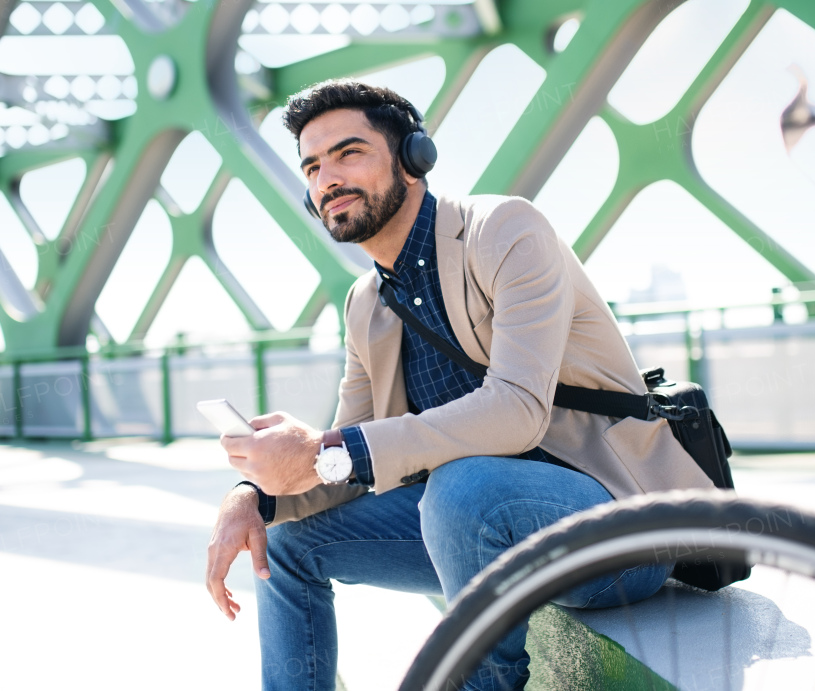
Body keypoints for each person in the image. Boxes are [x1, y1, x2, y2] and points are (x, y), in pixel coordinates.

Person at [206, 80, 713, 691]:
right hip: (474, 528)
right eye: (313, 167)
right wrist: (254, 497)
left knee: (460, 483)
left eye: (349, 153)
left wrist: (329, 450)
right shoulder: (366, 303)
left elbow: (518, 410)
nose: (327, 179)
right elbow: (348, 465)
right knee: (288, 545)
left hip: (613, 528)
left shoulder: (504, 230)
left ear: (414, 158)